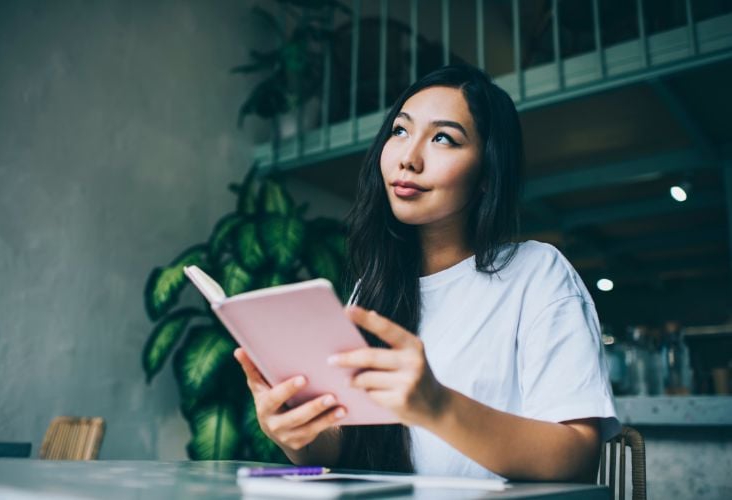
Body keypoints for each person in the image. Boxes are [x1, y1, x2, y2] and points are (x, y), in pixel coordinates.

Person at [234, 64, 619, 482]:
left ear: (488, 175)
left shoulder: (536, 272)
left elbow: (578, 456)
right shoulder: (373, 288)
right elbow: (350, 446)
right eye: (400, 131)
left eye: (443, 138)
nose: (408, 158)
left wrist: (437, 405)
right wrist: (297, 434)